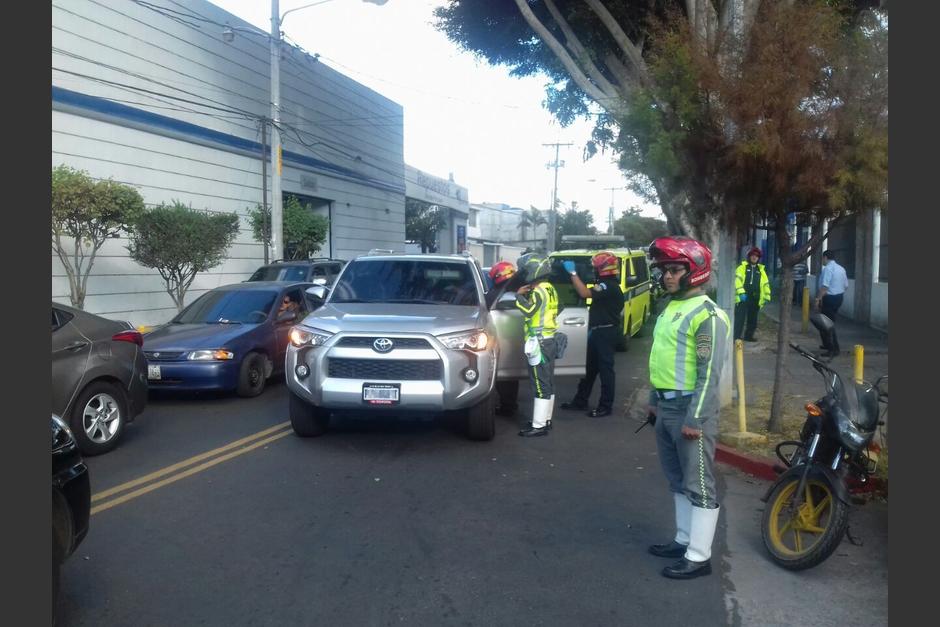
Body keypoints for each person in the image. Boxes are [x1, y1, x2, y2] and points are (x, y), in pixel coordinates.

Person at [645, 236, 731, 580]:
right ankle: (683, 540)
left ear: (694, 271)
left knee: (699, 484)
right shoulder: (670, 308)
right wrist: (654, 401)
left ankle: (698, 557)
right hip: (666, 406)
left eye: (675, 269)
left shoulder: (708, 315)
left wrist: (695, 418)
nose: (667, 276)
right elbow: (661, 358)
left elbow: (709, 373)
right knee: (677, 479)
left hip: (689, 410)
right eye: (664, 270)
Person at [559, 252, 624, 417]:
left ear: (603, 269)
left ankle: (605, 406)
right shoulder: (606, 284)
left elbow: (584, 293)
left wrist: (573, 273)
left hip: (605, 333)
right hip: (598, 331)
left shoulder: (607, 286)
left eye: (595, 267)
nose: (593, 270)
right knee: (589, 370)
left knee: (606, 371)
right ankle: (580, 401)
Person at [514, 253, 559, 437]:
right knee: (547, 381)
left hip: (539, 342)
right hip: (549, 339)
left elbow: (529, 311)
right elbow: (558, 308)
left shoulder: (539, 291)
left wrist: (519, 297)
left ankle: (538, 426)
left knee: (540, 383)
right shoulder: (550, 288)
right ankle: (545, 420)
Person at [486, 261, 525, 416]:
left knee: (505, 372)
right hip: (508, 335)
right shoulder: (510, 292)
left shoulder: (502, 293)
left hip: (505, 336)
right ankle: (509, 404)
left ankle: (508, 405)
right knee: (508, 373)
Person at [814, 250, 848, 358]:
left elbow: (825, 287)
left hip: (829, 298)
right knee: (826, 322)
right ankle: (827, 344)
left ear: (825, 257)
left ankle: (833, 349)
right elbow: (846, 285)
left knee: (827, 324)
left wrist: (818, 299)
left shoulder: (828, 269)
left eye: (822, 258)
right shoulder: (841, 269)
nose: (822, 261)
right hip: (839, 297)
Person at [733, 247, 771, 342]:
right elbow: (737, 280)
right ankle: (736, 337)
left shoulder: (761, 271)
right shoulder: (742, 268)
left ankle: (749, 336)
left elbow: (766, 284)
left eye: (757, 256)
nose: (754, 257)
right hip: (743, 297)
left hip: (755, 298)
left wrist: (767, 297)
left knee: (753, 319)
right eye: (753, 255)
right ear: (749, 256)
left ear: (759, 258)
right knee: (739, 318)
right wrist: (741, 292)